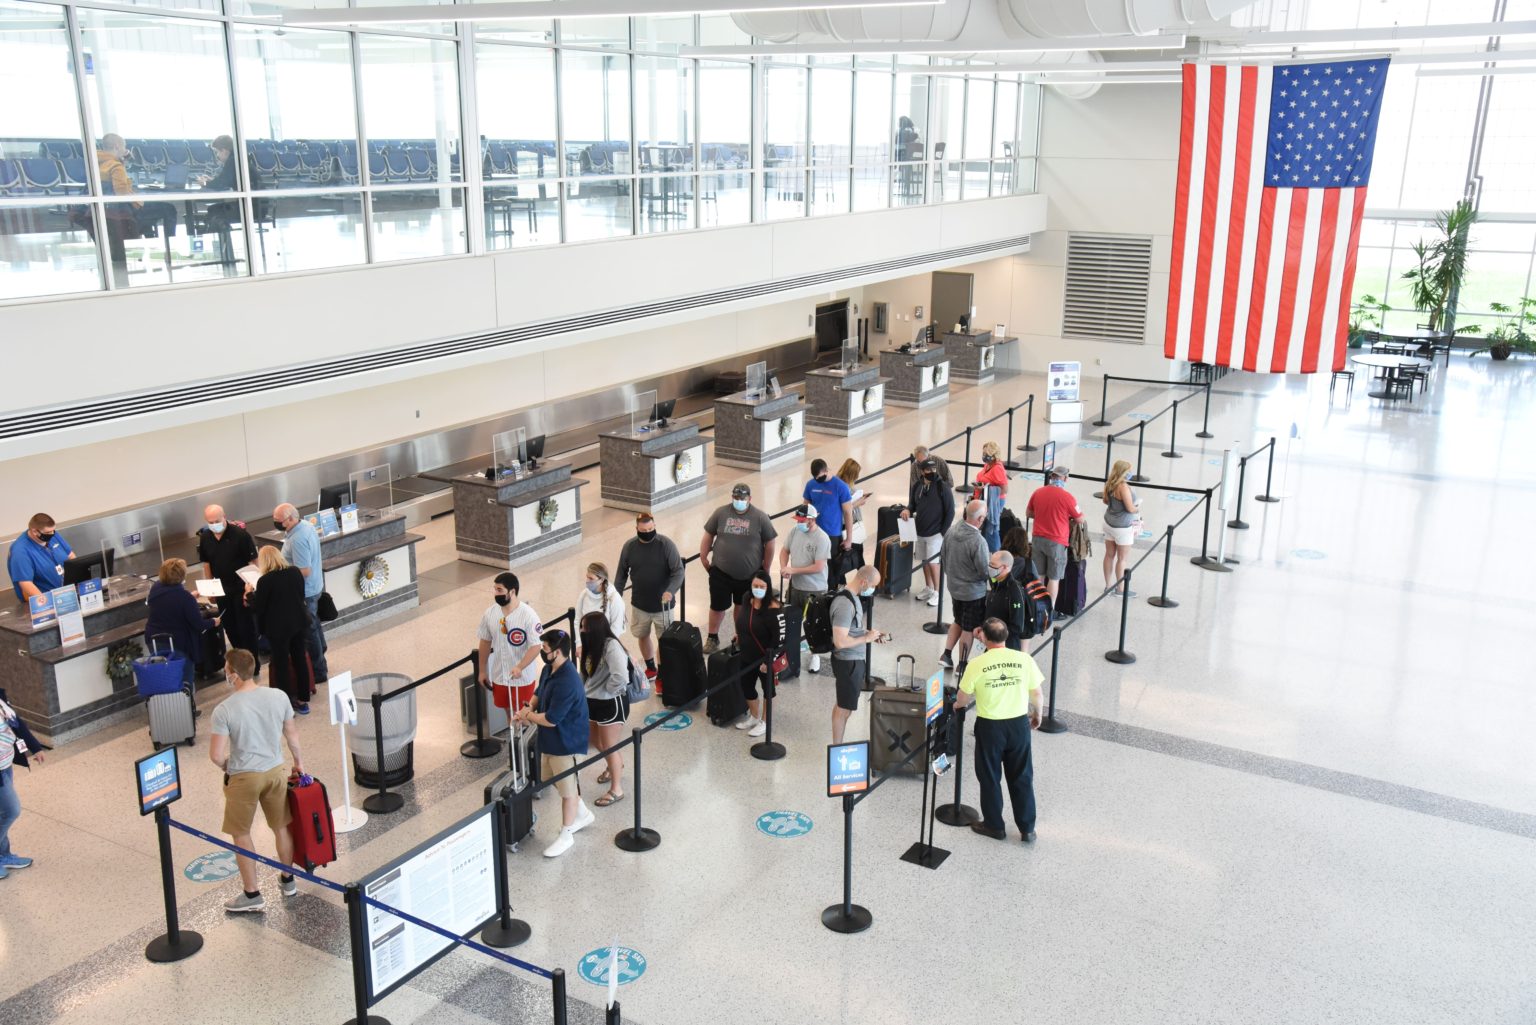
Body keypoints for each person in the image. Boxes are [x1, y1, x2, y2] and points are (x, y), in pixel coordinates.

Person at [210, 648, 306, 912]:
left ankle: (252, 895)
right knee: (281, 826)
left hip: (243, 777)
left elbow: (216, 755)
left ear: (233, 675)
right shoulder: (278, 696)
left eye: (226, 670)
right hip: (276, 771)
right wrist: (298, 764)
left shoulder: (224, 710)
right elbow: (292, 736)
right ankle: (288, 880)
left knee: (241, 834)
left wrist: (228, 765)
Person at [953, 618, 1043, 843]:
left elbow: (963, 697)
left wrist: (957, 706)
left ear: (983, 636)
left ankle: (994, 826)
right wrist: (1037, 715)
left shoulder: (976, 664)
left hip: (990, 727)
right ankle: (1027, 828)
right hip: (1019, 725)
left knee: (990, 776)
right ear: (1005, 636)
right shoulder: (1024, 659)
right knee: (1022, 776)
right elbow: (1037, 693)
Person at [514, 629, 594, 858]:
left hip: (566, 743)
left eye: (545, 649)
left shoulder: (568, 681)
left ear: (557, 652)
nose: (542, 652)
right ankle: (582, 813)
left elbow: (550, 719)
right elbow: (540, 691)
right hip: (550, 741)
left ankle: (567, 833)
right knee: (556, 782)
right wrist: (528, 707)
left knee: (568, 791)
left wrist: (527, 717)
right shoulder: (550, 669)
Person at [699, 483, 778, 654]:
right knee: (717, 606)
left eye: (742, 498)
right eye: (736, 497)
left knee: (742, 607)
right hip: (721, 572)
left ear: (749, 498)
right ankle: (712, 637)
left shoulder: (759, 517)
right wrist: (703, 556)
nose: (739, 501)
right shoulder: (721, 513)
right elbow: (709, 534)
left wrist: (766, 566)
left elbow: (770, 542)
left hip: (749, 574)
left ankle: (741, 636)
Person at [614, 513, 684, 681]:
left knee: (664, 640)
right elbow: (621, 575)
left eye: (651, 529)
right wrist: (616, 598)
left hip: (663, 606)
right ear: (637, 529)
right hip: (640, 604)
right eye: (644, 530)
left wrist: (670, 590)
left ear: (654, 526)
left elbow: (678, 571)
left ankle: (662, 673)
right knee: (642, 635)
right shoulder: (629, 547)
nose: (648, 532)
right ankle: (651, 667)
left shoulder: (666, 545)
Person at [246, 546, 313, 714]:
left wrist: (248, 594)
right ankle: (303, 700)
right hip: (299, 622)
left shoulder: (265, 581)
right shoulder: (295, 572)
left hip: (278, 629)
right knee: (300, 660)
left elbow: (259, 608)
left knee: (281, 664)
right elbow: (300, 594)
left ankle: (286, 703)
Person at [198, 504, 261, 677]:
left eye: (217, 521)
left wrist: (250, 589)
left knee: (246, 629)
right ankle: (239, 664)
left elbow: (253, 562)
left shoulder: (240, 536)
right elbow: (207, 564)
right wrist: (210, 589)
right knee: (231, 629)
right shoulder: (205, 537)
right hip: (222, 591)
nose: (214, 525)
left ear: (224, 517)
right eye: (210, 522)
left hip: (241, 590)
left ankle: (253, 665)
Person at [829, 566, 890, 744]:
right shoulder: (844, 604)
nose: (873, 590)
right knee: (843, 708)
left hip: (853, 660)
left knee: (844, 705)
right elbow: (839, 641)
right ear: (864, 582)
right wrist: (865, 638)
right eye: (873, 586)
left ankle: (837, 743)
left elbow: (851, 629)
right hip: (848, 662)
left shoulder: (851, 597)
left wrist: (871, 635)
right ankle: (837, 746)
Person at [578, 612, 629, 808]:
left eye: (585, 627)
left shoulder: (611, 646)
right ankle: (614, 763)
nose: (582, 631)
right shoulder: (590, 646)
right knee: (594, 740)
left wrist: (606, 691)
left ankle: (617, 789)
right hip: (592, 702)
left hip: (610, 703)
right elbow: (586, 673)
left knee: (610, 746)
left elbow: (621, 676)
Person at [275, 503, 329, 683]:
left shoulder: (297, 539)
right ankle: (322, 657)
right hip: (315, 587)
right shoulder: (306, 525)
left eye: (279, 521)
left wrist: (282, 572)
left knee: (310, 628)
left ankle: (318, 670)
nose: (277, 524)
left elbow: (304, 570)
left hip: (306, 591)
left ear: (290, 519)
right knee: (314, 623)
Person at [476, 572, 543, 714]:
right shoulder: (490, 613)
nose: (495, 593)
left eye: (499, 590)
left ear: (512, 592)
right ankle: (514, 736)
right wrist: (482, 671)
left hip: (522, 678)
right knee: (508, 712)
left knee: (524, 716)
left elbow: (536, 646)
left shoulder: (528, 615)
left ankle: (526, 735)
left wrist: (520, 667)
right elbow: (485, 642)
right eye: (494, 589)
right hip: (500, 675)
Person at [144, 559, 219, 686]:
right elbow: (198, 624)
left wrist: (190, 597)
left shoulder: (155, 588)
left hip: (154, 640)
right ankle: (186, 704)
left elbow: (170, 601)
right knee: (184, 681)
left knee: (164, 679)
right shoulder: (185, 598)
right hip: (177, 644)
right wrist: (213, 621)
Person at [940, 500, 991, 676]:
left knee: (958, 620)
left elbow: (943, 558)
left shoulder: (951, 531)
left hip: (954, 588)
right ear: (981, 519)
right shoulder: (978, 541)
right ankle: (962, 664)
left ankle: (946, 654)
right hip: (973, 593)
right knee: (968, 628)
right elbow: (985, 571)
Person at [779, 504, 831, 674]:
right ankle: (789, 656)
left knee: (814, 624)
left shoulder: (822, 538)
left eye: (802, 520)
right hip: (795, 587)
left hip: (815, 589)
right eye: (798, 519)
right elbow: (784, 551)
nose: (799, 522)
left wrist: (793, 570)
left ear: (812, 520)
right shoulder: (795, 531)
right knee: (791, 621)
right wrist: (783, 566)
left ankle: (815, 655)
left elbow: (818, 566)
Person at [96, 133, 178, 240]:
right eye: (124, 147)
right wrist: (139, 201)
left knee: (151, 210)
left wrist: (123, 163)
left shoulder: (98, 163)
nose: (125, 150)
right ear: (117, 147)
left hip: (110, 210)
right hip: (127, 212)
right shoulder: (116, 166)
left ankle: (148, 237)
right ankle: (170, 242)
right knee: (169, 209)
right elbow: (122, 194)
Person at [733, 569, 784, 739]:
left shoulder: (774, 609)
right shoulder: (747, 598)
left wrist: (769, 661)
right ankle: (754, 717)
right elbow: (743, 620)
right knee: (746, 686)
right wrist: (739, 634)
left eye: (762, 586)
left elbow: (779, 639)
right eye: (755, 585)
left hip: (764, 659)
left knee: (768, 690)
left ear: (768, 587)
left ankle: (765, 721)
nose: (758, 589)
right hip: (746, 654)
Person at [0, 689, 45, 878]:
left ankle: (3, 855)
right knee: (12, 810)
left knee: (3, 812)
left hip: (6, 763)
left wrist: (34, 748)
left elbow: (18, 725)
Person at [1025, 467, 1086, 606]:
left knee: (1039, 575)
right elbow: (1080, 519)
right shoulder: (1067, 497)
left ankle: (1037, 607)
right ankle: (1049, 609)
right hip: (1056, 541)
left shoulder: (1038, 492)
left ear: (1052, 477)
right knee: (1053, 578)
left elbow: (1028, 513)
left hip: (1038, 539)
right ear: (1065, 478)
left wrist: (1042, 515)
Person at [903, 458, 955, 607]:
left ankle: (938, 592)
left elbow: (950, 511)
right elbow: (912, 504)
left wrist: (942, 532)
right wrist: (907, 509)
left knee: (933, 563)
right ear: (922, 471)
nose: (932, 472)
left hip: (935, 533)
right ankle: (929, 588)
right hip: (920, 531)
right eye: (928, 470)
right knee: (924, 561)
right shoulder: (917, 486)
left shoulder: (943, 487)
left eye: (933, 470)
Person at [803, 458, 854, 583]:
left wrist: (849, 539)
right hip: (813, 532)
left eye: (820, 477)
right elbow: (806, 507)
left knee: (831, 571)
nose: (817, 480)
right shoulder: (811, 485)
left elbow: (848, 513)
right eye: (815, 477)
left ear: (826, 471)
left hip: (832, 535)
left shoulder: (840, 487)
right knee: (812, 564)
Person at [7, 514, 75, 601]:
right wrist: (46, 602)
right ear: (35, 531)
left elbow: (71, 556)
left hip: (66, 593)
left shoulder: (52, 534)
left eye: (53, 530)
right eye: (47, 533)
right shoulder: (20, 551)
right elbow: (25, 583)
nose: (52, 534)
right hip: (43, 599)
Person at [1102, 459, 1142, 597]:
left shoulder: (1110, 484)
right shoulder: (1123, 487)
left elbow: (1105, 501)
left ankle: (1107, 586)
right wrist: (1137, 509)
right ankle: (1120, 589)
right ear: (1123, 472)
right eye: (1129, 471)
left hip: (1108, 523)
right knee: (1122, 559)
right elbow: (1130, 508)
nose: (1131, 473)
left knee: (1109, 555)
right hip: (1123, 528)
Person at [574, 562, 626, 659]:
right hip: (587, 645)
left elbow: (616, 629)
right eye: (587, 577)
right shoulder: (584, 594)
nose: (587, 581)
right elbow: (578, 620)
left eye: (591, 579)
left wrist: (602, 650)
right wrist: (579, 644)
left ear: (601, 579)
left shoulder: (614, 599)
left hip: (607, 650)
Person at [972, 441, 1011, 552]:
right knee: (985, 528)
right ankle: (985, 552)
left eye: (987, 454)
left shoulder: (997, 468)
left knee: (991, 529)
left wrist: (985, 489)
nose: (984, 456)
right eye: (983, 453)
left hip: (993, 502)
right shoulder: (988, 465)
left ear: (994, 456)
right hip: (984, 499)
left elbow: (1004, 489)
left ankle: (995, 555)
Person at [984, 551, 1026, 651]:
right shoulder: (996, 583)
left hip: (1007, 648)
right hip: (992, 643)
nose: (990, 567)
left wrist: (992, 633)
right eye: (990, 564)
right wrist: (983, 628)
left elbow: (1017, 626)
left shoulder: (1014, 590)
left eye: (993, 565)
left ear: (1004, 567)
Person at [836, 459, 870, 573]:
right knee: (856, 555)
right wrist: (858, 503)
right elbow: (842, 508)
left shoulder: (842, 483)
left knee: (856, 555)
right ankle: (864, 581)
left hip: (849, 523)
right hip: (846, 524)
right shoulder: (841, 486)